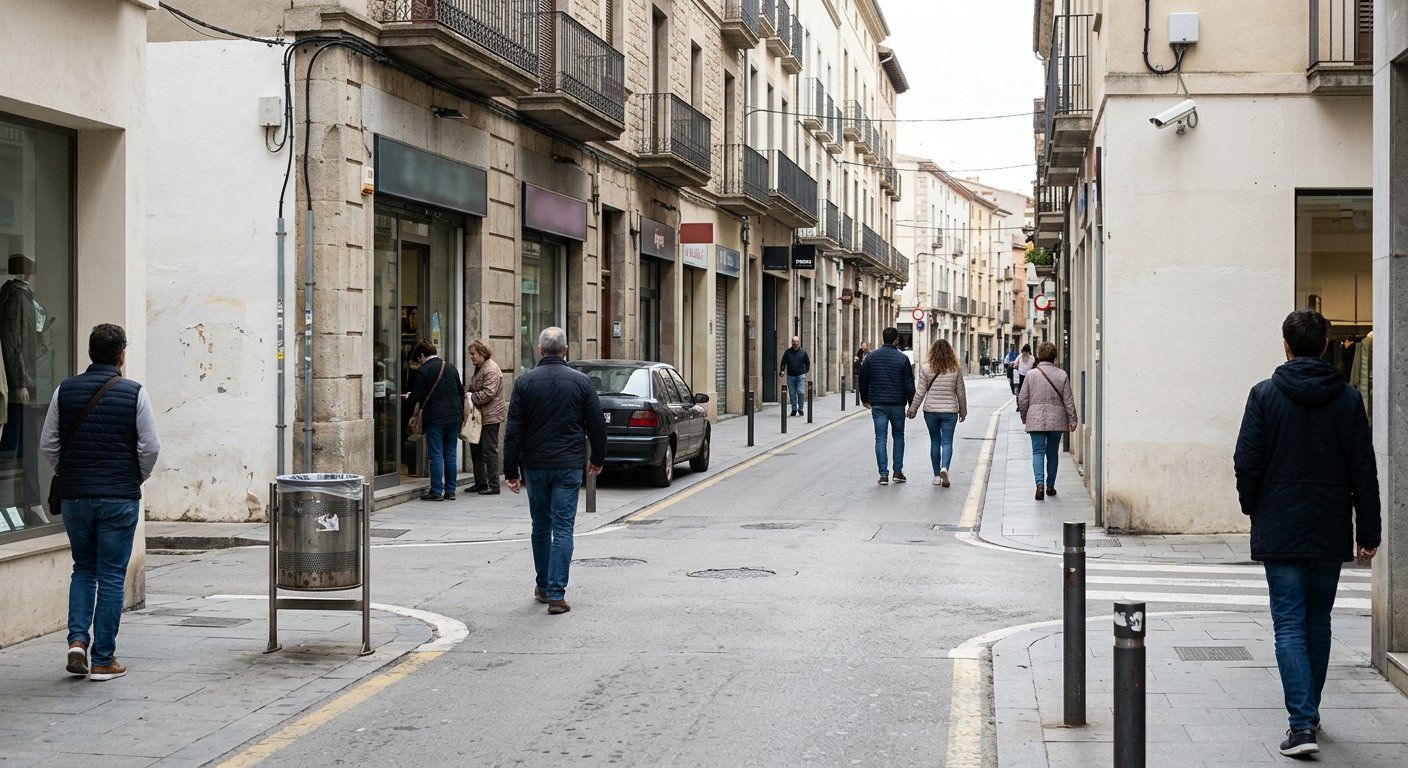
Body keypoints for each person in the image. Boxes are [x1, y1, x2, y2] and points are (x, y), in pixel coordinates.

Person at [1233, 310, 1380, 758]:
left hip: (1281, 523)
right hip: (1329, 523)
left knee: (1289, 623)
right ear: (1325, 345)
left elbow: (1246, 461)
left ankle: (1301, 725)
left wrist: (1255, 507)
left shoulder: (1264, 396)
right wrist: (1369, 530)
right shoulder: (1349, 399)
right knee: (1317, 621)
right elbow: (1364, 470)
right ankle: (1309, 715)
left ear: (1286, 345)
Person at [41, 324, 161, 681]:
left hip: (76, 496)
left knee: (83, 568)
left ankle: (77, 641)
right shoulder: (134, 393)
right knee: (110, 575)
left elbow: (49, 444)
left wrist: (71, 472)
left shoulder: (65, 391)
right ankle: (103, 659)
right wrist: (133, 477)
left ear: (90, 353)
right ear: (121, 354)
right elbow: (150, 448)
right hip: (118, 497)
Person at [502, 327, 607, 615]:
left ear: (540, 351)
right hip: (567, 466)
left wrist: (510, 470)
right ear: (565, 351)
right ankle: (557, 594)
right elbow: (596, 424)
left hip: (535, 466)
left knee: (540, 526)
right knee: (563, 528)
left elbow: (513, 431)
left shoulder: (525, 383)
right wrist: (597, 458)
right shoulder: (581, 382)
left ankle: (543, 585)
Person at [405, 340, 465, 501]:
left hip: (435, 417)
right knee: (450, 453)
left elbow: (417, 396)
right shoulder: (451, 367)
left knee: (436, 454)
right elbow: (461, 392)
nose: (420, 361)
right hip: (454, 416)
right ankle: (451, 491)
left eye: (419, 359)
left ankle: (436, 491)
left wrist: (408, 397)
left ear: (422, 356)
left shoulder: (424, 370)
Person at [1016, 341, 1076, 501]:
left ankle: (1039, 485)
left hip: (1035, 418)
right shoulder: (1062, 375)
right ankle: (1050, 486)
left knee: (1037, 452)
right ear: (1054, 356)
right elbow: (1068, 400)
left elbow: (1022, 399)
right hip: (1057, 420)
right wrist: (1073, 419)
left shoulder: (1030, 375)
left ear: (1039, 355)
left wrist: (1024, 417)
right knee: (1052, 453)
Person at [858, 327, 915, 485]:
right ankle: (897, 472)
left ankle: (883, 475)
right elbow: (909, 384)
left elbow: (863, 380)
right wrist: (912, 405)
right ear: (896, 340)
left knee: (880, 438)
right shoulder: (903, 359)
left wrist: (865, 399)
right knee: (898, 436)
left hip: (878, 404)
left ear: (883, 338)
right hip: (897, 403)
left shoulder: (871, 357)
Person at [908, 339, 967, 487]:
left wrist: (913, 409)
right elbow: (961, 392)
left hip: (931, 411)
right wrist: (963, 411)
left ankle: (936, 475)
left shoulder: (926, 368)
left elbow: (920, 392)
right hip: (950, 411)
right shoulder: (955, 369)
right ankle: (944, 468)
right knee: (947, 441)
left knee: (935, 441)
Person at [464, 339, 506, 496]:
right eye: (470, 354)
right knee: (475, 448)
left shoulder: (491, 369)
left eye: (473, 354)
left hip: (490, 416)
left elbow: (488, 393)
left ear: (482, 353)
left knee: (489, 450)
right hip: (479, 416)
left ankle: (494, 485)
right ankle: (480, 482)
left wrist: (470, 396)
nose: (471, 357)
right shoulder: (480, 367)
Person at [779, 336, 810, 417]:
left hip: (800, 376)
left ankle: (801, 408)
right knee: (792, 393)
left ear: (799, 342)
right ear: (791, 342)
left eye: (796, 341)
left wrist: (805, 371)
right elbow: (783, 363)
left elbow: (807, 363)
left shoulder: (803, 352)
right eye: (793, 341)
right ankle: (794, 409)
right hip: (790, 376)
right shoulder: (787, 352)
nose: (795, 343)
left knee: (800, 392)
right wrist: (782, 371)